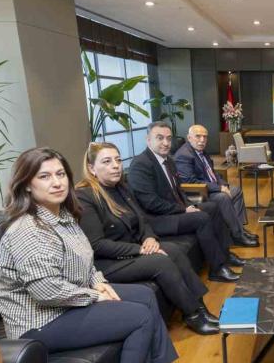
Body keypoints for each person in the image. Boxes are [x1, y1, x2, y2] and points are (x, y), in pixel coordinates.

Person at [0, 147, 199, 363]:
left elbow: (86, 260)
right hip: (40, 322)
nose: (56, 182)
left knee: (144, 294)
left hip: (68, 301)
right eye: (44, 176)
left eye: (60, 174)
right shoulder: (28, 230)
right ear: (27, 184)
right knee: (138, 317)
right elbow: (46, 291)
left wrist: (98, 282)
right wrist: (94, 295)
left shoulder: (63, 216)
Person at [76, 142, 219, 335]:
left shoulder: (121, 188)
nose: (115, 166)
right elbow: (97, 245)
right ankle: (192, 314)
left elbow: (142, 219)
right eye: (107, 162)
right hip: (107, 262)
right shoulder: (84, 196)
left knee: (174, 250)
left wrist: (149, 238)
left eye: (118, 160)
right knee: (161, 262)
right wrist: (140, 249)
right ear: (92, 168)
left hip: (132, 248)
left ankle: (200, 307)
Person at [128, 121, 243, 282]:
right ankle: (217, 269)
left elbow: (179, 190)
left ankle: (225, 254)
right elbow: (150, 203)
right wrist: (183, 209)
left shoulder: (168, 161)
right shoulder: (140, 164)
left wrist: (189, 205)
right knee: (201, 218)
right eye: (160, 138)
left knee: (213, 207)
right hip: (156, 219)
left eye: (169, 138)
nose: (166, 143)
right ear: (148, 140)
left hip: (173, 210)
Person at [174, 124, 259, 247]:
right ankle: (237, 236)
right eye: (198, 136)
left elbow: (212, 173)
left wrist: (224, 185)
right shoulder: (184, 155)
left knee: (236, 190)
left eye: (205, 137)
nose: (202, 140)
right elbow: (190, 182)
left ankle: (239, 229)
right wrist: (219, 188)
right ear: (189, 137)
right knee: (223, 197)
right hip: (197, 193)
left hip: (209, 187)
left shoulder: (201, 151)